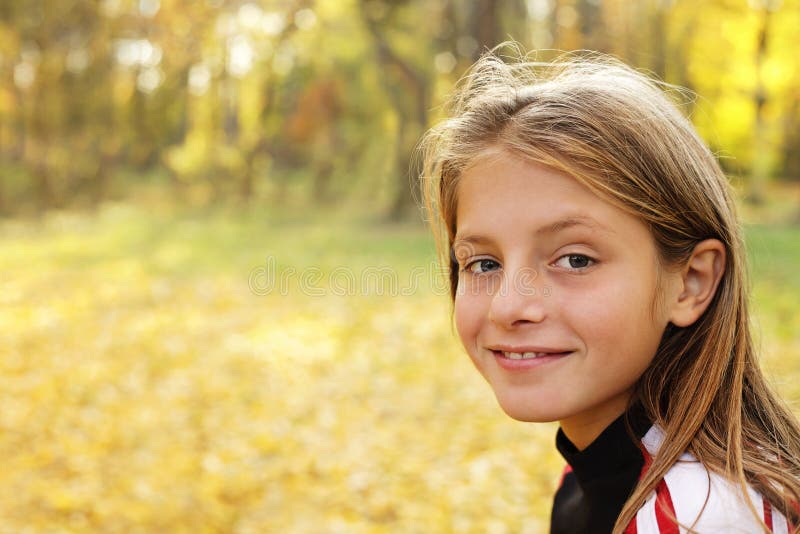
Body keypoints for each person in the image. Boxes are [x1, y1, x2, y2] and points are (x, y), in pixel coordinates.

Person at [418, 47, 800, 533]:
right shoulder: (592, 473)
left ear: (691, 282)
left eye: (575, 259)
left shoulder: (698, 516)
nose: (508, 305)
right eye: (484, 263)